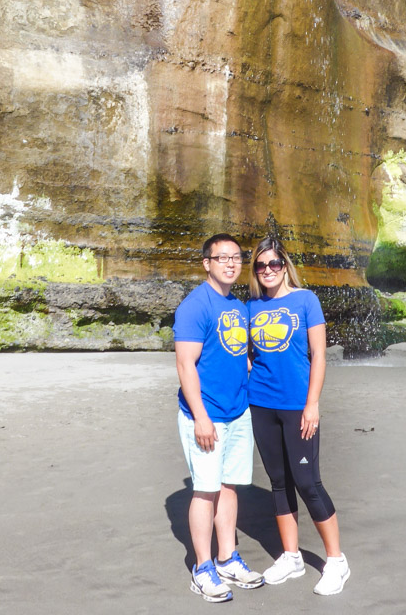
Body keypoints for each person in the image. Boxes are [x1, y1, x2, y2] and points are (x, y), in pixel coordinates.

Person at [247, 235, 350, 596]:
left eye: (273, 263)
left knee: (308, 482)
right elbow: (247, 354)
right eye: (261, 265)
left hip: (297, 405)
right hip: (260, 403)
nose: (267, 270)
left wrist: (312, 404)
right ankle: (291, 557)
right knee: (278, 481)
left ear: (284, 265)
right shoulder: (251, 306)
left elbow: (319, 355)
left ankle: (336, 561)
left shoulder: (306, 300)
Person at [174, 233, 265, 602]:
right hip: (206, 414)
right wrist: (200, 416)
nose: (231, 263)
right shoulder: (195, 306)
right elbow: (185, 364)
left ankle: (227, 557)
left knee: (230, 486)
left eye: (237, 257)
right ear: (206, 263)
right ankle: (203, 567)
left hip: (237, 411)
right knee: (206, 489)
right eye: (222, 257)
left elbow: (237, 353)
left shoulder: (239, 306)